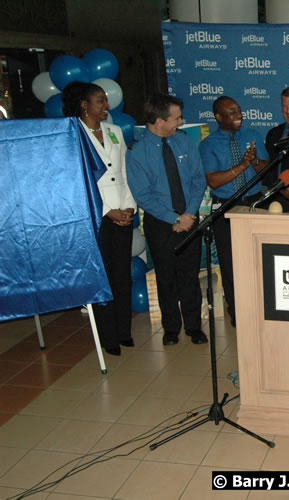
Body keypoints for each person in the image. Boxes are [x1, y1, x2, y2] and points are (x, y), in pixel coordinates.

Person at [126, 93, 208, 346]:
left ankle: (194, 326)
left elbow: (198, 181)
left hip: (189, 219)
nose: (181, 123)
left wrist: (188, 215)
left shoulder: (184, 143)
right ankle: (171, 327)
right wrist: (173, 217)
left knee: (189, 275)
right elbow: (143, 195)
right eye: (176, 118)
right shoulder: (137, 153)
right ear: (159, 120)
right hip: (160, 223)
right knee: (166, 276)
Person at [62, 81, 136, 356]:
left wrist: (128, 207)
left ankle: (123, 331)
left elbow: (124, 172)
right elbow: (76, 179)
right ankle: (108, 337)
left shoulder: (114, 131)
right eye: (99, 101)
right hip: (96, 215)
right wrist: (107, 210)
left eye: (106, 100)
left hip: (122, 210)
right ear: (84, 105)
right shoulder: (73, 134)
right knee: (102, 277)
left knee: (122, 275)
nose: (106, 105)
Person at [199, 96, 269, 327]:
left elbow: (266, 169)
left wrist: (255, 160)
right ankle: (238, 313)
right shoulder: (208, 145)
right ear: (219, 117)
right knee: (230, 263)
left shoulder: (253, 135)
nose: (239, 114)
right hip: (227, 205)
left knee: (260, 259)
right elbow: (213, 181)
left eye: (239, 110)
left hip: (255, 203)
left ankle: (262, 308)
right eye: (232, 112)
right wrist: (243, 165)